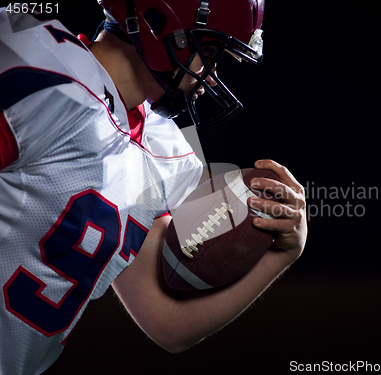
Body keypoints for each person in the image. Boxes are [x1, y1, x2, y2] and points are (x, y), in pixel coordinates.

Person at [0, 1, 307, 374]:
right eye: (208, 51)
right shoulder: (44, 72)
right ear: (161, 26)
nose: (211, 76)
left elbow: (168, 323)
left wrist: (283, 253)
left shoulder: (167, 150)